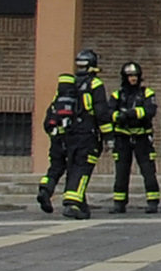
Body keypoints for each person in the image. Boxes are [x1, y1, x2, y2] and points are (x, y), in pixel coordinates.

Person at [36, 48, 114, 220]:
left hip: (62, 134)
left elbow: (53, 109)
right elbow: (101, 113)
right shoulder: (95, 84)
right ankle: (72, 203)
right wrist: (109, 136)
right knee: (81, 168)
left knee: (57, 166)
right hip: (85, 135)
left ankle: (46, 189)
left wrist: (52, 130)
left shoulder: (67, 87)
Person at [106, 60, 161, 213]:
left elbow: (150, 110)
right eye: (130, 76)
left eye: (135, 76)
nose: (133, 78)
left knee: (148, 170)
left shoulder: (147, 93)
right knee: (121, 171)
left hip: (142, 137)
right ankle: (119, 203)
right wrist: (118, 116)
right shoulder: (117, 95)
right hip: (122, 138)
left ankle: (153, 201)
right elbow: (108, 113)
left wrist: (131, 114)